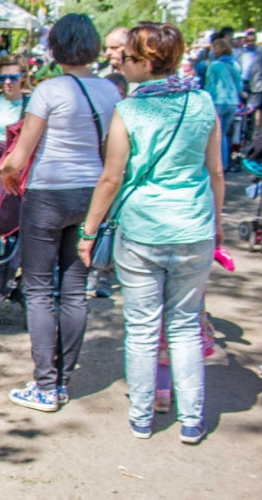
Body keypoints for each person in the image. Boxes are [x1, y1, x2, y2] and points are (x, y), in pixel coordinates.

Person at [79, 23, 224, 444]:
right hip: (195, 225)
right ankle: (192, 420)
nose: (120, 62)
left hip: (143, 229)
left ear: (147, 62)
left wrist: (89, 232)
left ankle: (141, 416)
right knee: (184, 325)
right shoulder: (202, 102)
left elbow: (111, 178)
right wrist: (215, 226)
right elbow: (215, 171)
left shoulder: (129, 110)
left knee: (143, 329)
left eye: (127, 56)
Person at [0, 13, 121, 412]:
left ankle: (45, 385)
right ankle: (62, 382)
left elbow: (20, 154)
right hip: (90, 194)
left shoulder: (49, 90)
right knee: (74, 289)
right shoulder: (110, 93)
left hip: (48, 193)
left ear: (54, 48)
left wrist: (7, 175)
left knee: (37, 289)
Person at [204, 37, 241, 170]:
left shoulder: (214, 66)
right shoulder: (235, 65)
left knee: (215, 136)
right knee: (224, 134)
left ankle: (216, 165)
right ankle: (224, 164)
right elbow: (239, 86)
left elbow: (209, 86)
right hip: (232, 102)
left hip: (218, 101)